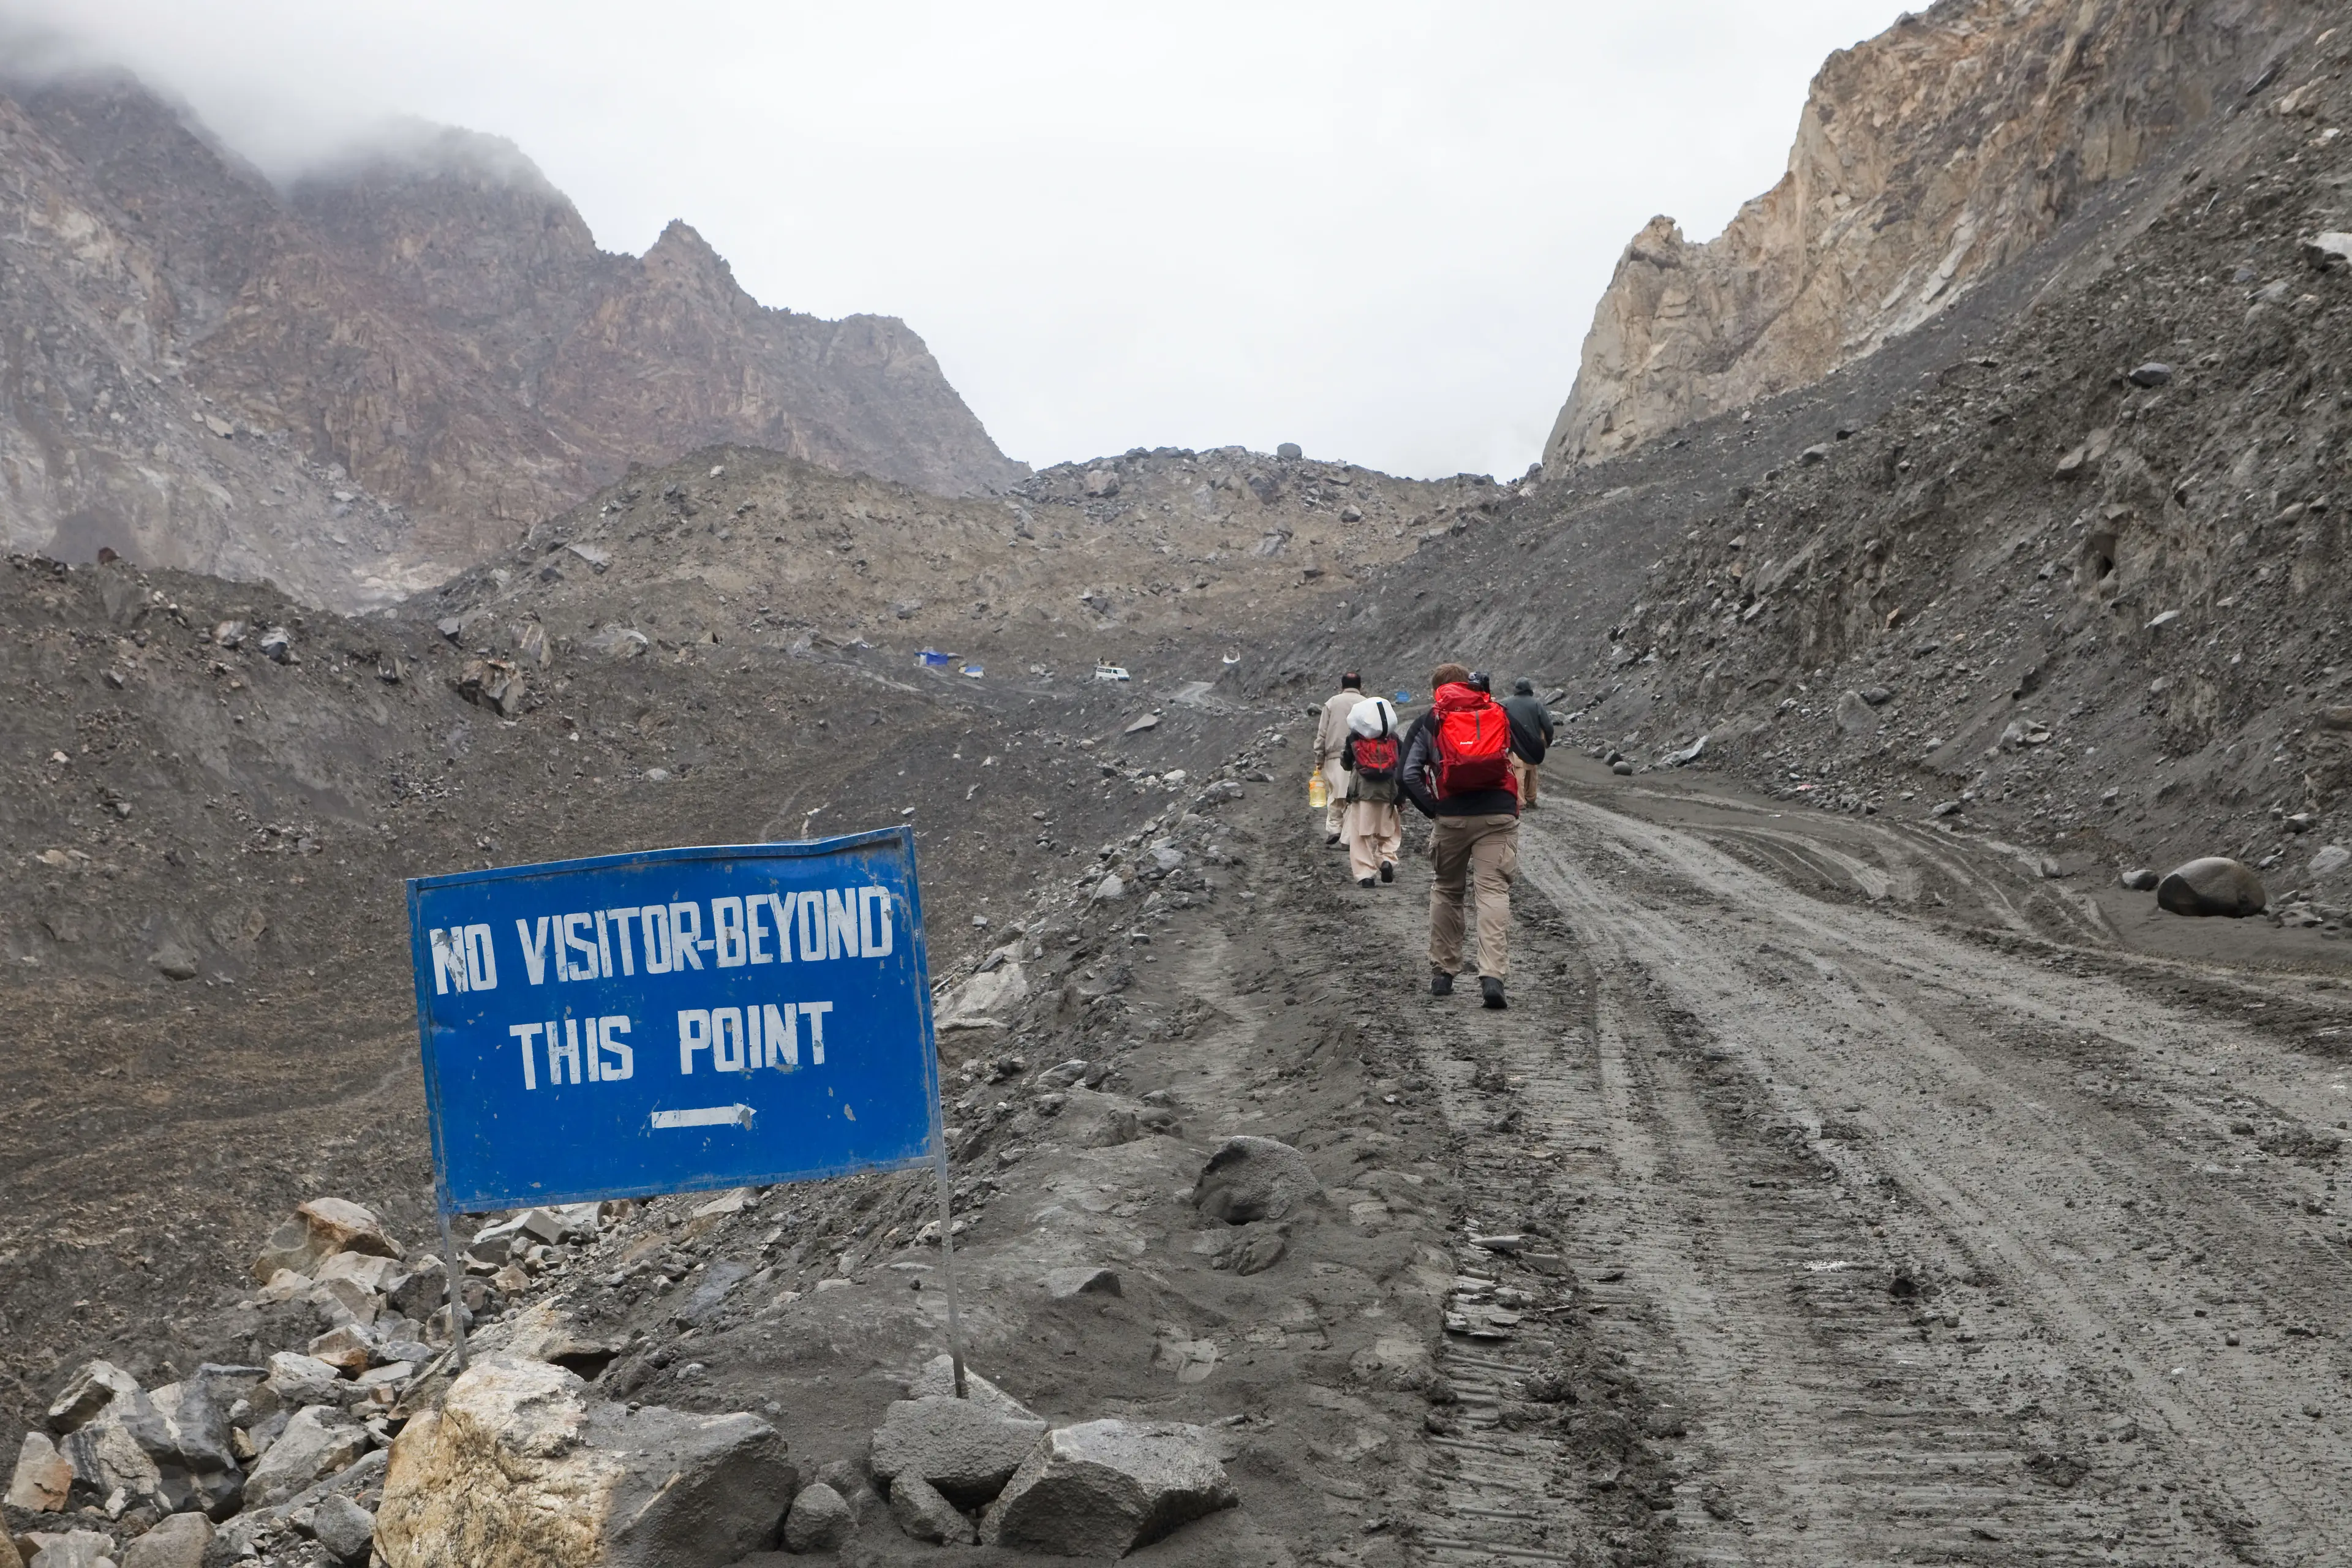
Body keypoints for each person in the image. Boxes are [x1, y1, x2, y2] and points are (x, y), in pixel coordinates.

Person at [1400, 663, 1518, 1009]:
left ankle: (1443, 974)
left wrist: (1435, 809)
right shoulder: (1497, 711)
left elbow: (1407, 775)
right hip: (1497, 813)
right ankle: (1493, 976)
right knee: (1492, 892)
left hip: (1451, 816)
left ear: (1437, 690)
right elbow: (1535, 752)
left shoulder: (1430, 719)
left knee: (1447, 890)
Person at [1339, 695, 1404, 888]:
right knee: (1389, 832)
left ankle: (1365, 874)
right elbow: (1402, 764)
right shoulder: (1393, 738)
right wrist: (1402, 796)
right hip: (1388, 793)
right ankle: (1386, 860)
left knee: (1361, 835)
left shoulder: (1355, 737)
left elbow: (1346, 764)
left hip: (1362, 793)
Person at [1312, 671, 1363, 846]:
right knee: (1353, 797)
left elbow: (1322, 732)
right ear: (1360, 687)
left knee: (1336, 794)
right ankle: (1348, 838)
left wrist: (1319, 756)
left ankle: (1335, 829)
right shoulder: (1366, 703)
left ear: (1342, 686)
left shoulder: (1332, 703)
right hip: (1360, 757)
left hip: (1334, 756)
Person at [1501, 678, 1556, 809]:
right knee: (1532, 771)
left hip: (1515, 744)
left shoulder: (1507, 703)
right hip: (1534, 744)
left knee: (1518, 772)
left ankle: (1520, 801)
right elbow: (1548, 725)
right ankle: (1531, 798)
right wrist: (1548, 740)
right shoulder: (1536, 704)